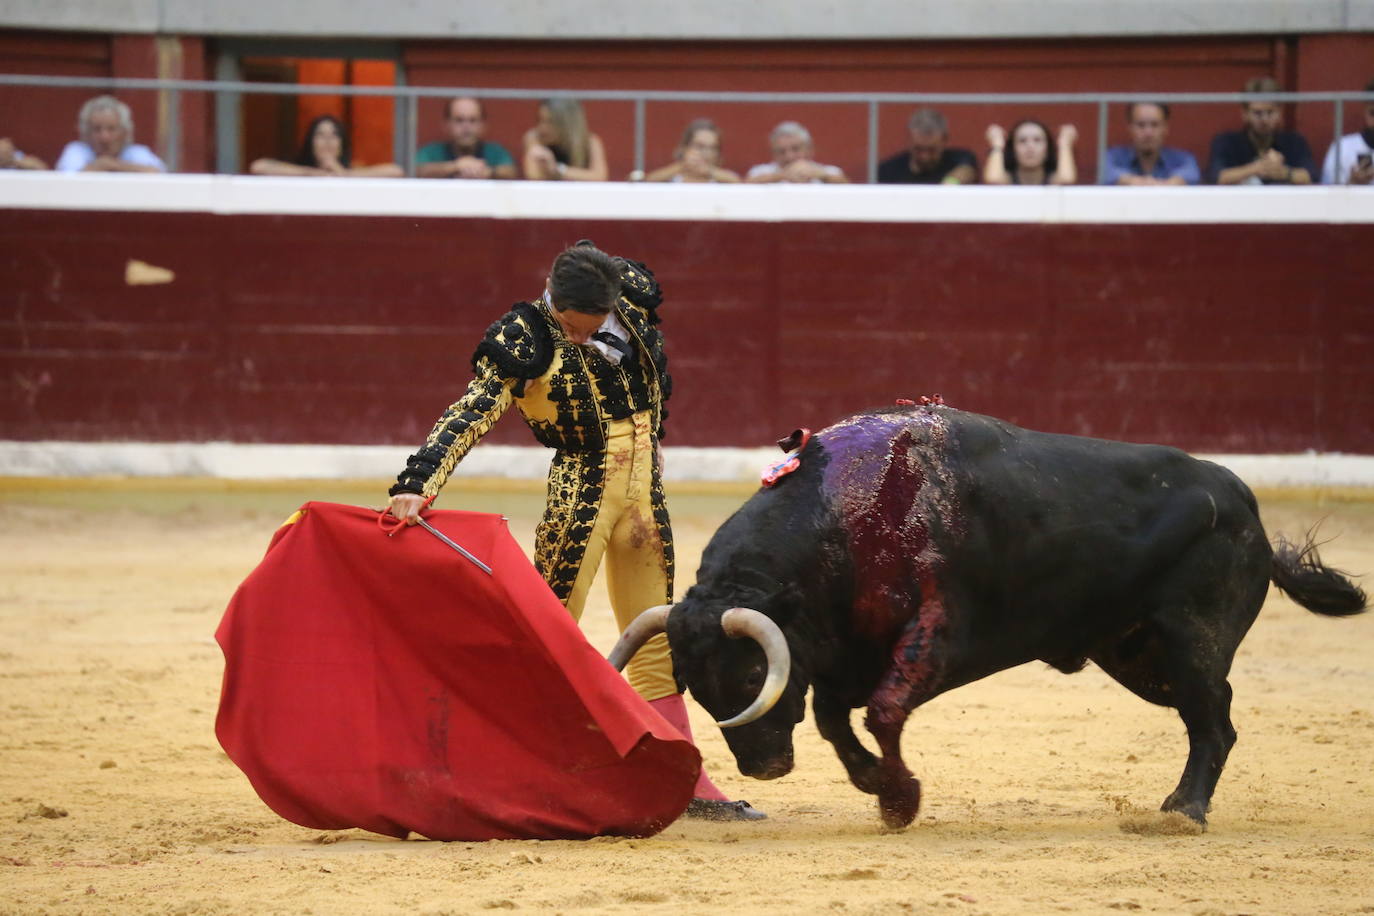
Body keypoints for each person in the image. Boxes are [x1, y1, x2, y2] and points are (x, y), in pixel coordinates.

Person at [387, 240, 765, 822]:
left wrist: (652, 439)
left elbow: (649, 378)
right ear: (554, 302)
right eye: (571, 327)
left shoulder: (629, 294)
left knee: (661, 637)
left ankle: (683, 783)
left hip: (643, 492)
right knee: (547, 633)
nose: (582, 339)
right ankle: (512, 772)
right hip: (581, 490)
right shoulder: (526, 335)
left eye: (591, 327)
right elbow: (472, 410)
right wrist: (418, 479)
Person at [1206, 76, 1316, 185]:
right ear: (1244, 114)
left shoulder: (1294, 142)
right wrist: (1256, 168)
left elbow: (1312, 177)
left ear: (1279, 112)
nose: (1264, 120)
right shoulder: (1227, 142)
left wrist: (1284, 173)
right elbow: (1216, 177)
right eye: (1257, 113)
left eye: (1270, 112)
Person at [249, 115, 403, 178]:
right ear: (310, 142)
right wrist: (314, 173)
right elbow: (259, 166)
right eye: (320, 135)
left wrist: (341, 173)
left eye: (334, 135)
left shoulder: (352, 170)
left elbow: (396, 171)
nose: (328, 141)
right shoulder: (297, 169)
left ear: (342, 144)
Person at [54, 95, 166, 173]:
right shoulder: (77, 150)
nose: (104, 137)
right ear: (86, 132)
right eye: (97, 129)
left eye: (111, 129)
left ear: (125, 132)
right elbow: (67, 178)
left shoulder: (136, 152)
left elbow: (158, 174)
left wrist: (112, 165)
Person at [416, 97, 517, 180]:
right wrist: (455, 166)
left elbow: (510, 172)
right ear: (446, 125)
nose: (466, 127)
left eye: (473, 120)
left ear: (483, 126)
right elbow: (417, 170)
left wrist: (488, 172)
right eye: (459, 120)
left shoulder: (495, 151)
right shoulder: (431, 152)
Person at [1101, 102, 1201, 186]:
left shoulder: (1183, 159)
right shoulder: (1113, 157)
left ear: (1165, 128)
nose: (1148, 133)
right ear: (1130, 128)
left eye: (1155, 125)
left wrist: (1153, 185)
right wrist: (1135, 182)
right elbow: (1107, 173)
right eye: (1141, 125)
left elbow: (1191, 175)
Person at [876, 108, 976, 184]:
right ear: (909, 140)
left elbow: (967, 171)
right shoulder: (888, 171)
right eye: (918, 149)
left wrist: (950, 183)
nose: (925, 156)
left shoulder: (961, 160)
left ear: (944, 141)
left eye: (932, 150)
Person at [522, 99, 609, 181]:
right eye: (540, 120)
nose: (542, 128)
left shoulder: (590, 142)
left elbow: (599, 176)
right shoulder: (534, 137)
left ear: (567, 124)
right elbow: (534, 175)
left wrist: (558, 169)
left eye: (550, 122)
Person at [745, 121, 848, 184]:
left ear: (809, 149)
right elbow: (744, 185)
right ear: (774, 154)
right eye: (781, 151)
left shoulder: (828, 172)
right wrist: (782, 176)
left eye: (795, 149)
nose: (789, 156)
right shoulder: (761, 172)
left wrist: (821, 175)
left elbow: (846, 186)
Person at [642, 119, 740, 183]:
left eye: (712, 148)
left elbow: (738, 183)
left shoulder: (723, 179)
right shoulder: (672, 175)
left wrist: (710, 172)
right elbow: (647, 182)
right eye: (699, 146)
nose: (706, 153)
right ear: (685, 148)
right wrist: (682, 166)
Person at [983, 120, 1078, 185]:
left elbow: (1066, 178)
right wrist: (997, 144)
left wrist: (1064, 144)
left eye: (1037, 140)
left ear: (1047, 148)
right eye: (1022, 141)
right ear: (1013, 149)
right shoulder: (1008, 179)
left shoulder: (1053, 180)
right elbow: (994, 179)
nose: (1030, 147)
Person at [1320, 77, 1374, 186]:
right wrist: (1353, 183)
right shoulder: (1342, 148)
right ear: (1365, 111)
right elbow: (1328, 196)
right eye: (1373, 113)